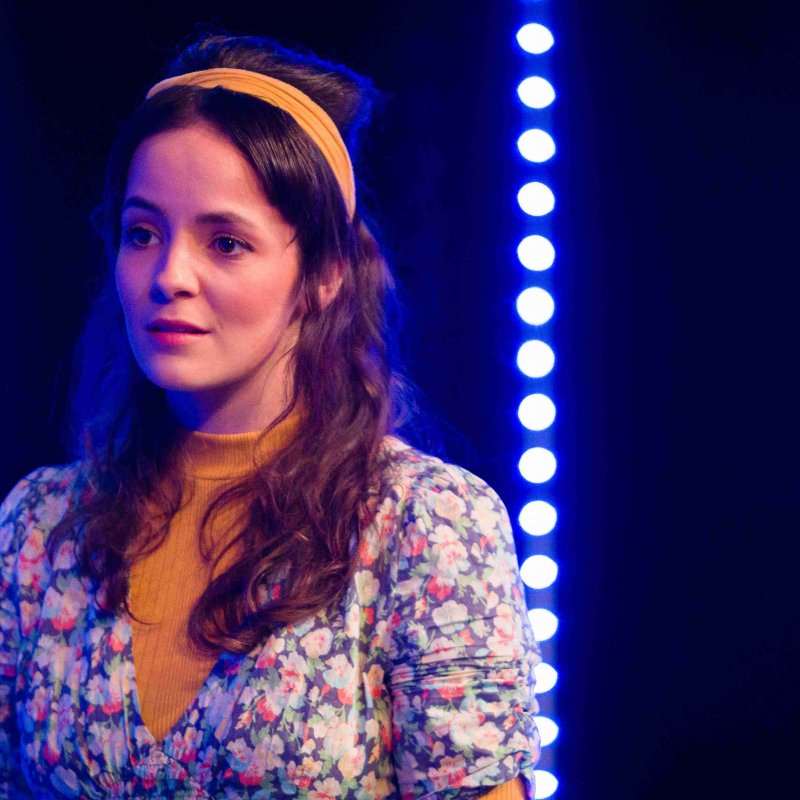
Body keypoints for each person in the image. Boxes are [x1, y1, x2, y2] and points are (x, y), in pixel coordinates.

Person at [0, 31, 541, 799]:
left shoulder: (423, 526)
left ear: (322, 274)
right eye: (142, 233)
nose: (168, 277)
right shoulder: (41, 526)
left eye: (225, 242)